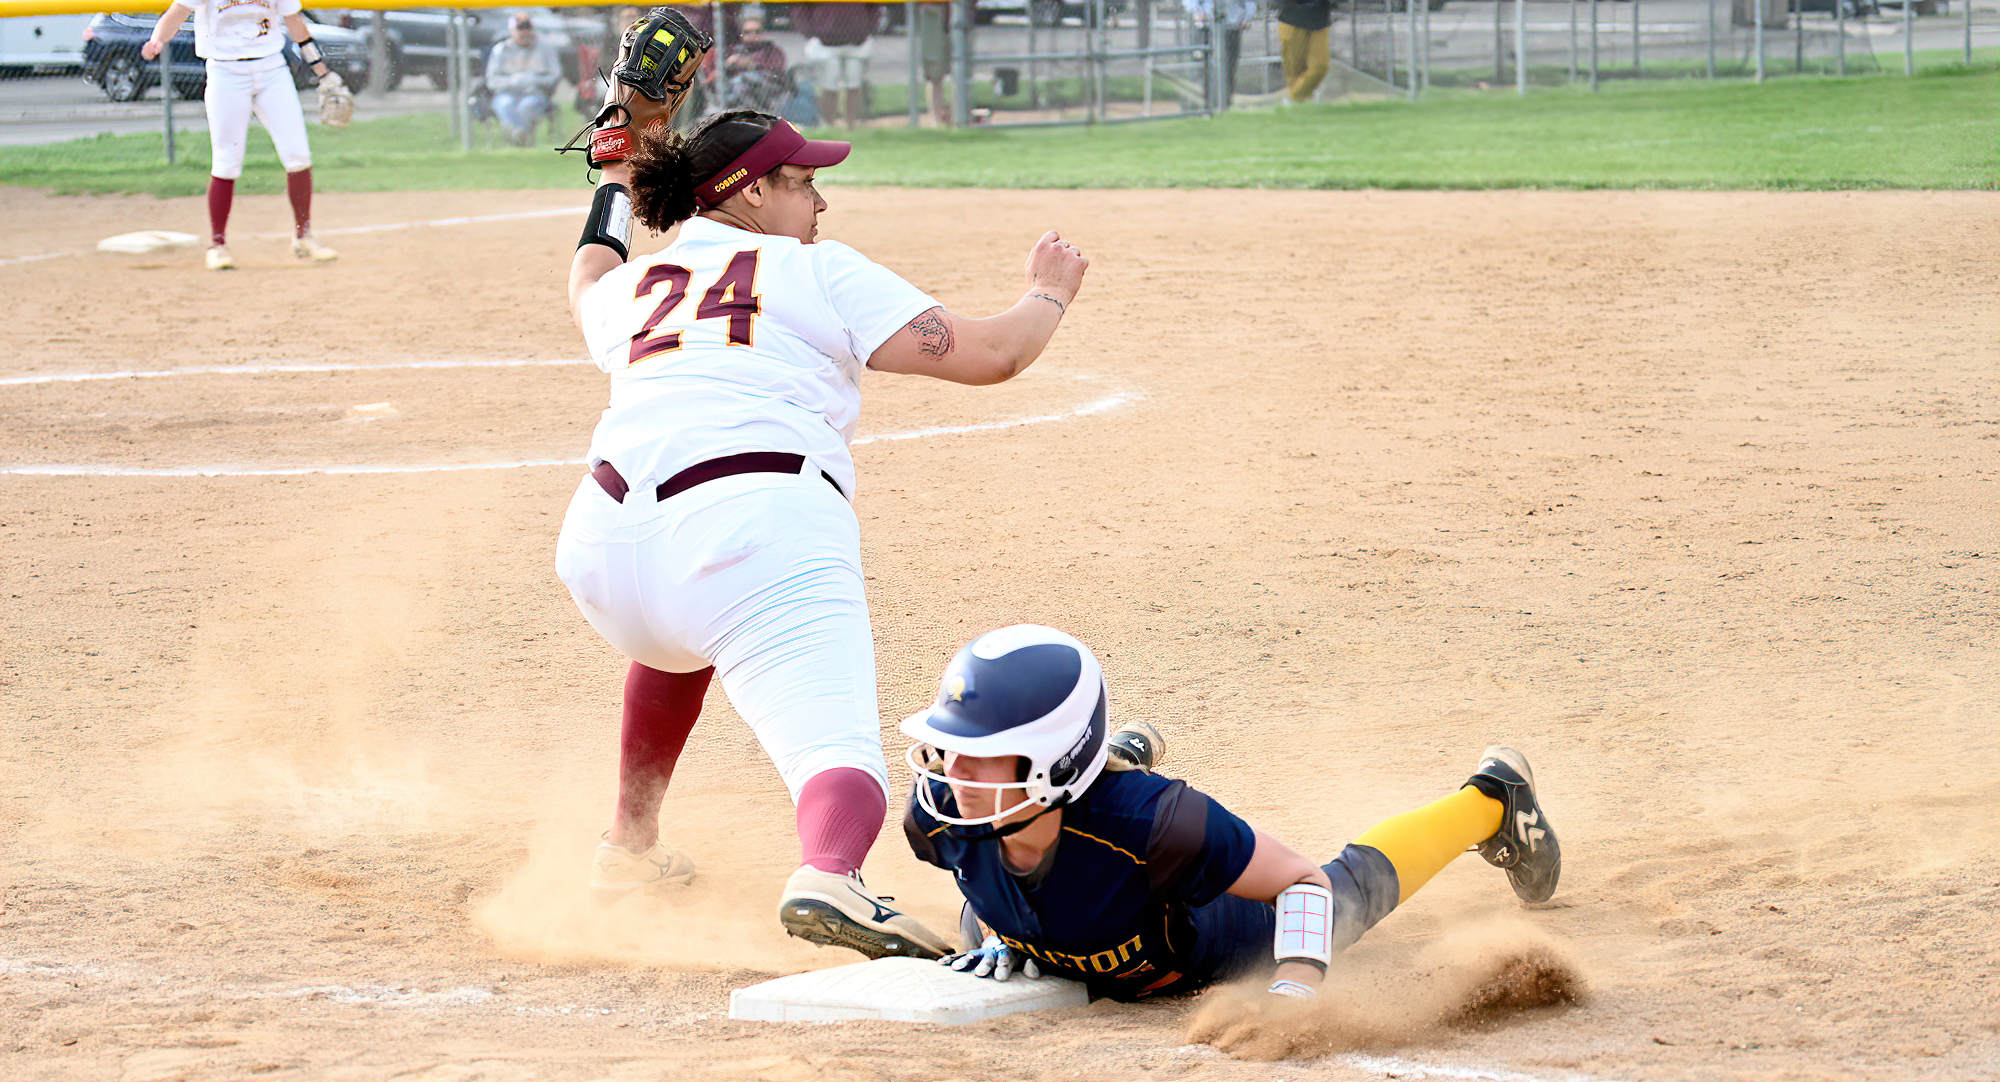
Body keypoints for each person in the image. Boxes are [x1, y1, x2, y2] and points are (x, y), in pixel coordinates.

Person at [557, 112, 1091, 960]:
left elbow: (591, 268)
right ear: (749, 189)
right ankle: (830, 873)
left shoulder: (634, 288)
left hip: (599, 549)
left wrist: (615, 178)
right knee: (836, 757)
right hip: (753, 528)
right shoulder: (816, 270)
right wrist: (1049, 290)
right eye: (801, 182)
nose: (821, 200)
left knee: (674, 643)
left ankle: (628, 849)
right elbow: (994, 355)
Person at [900, 625, 1562, 999]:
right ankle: (1121, 754)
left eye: (980, 754)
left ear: (1055, 762)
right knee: (1094, 825)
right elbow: (986, 879)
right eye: (951, 748)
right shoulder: (940, 814)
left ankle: (1491, 799)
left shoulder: (1160, 827)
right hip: (1099, 842)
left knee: (1344, 895)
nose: (951, 773)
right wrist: (991, 938)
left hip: (1209, 939)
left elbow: (1301, 881)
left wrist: (1297, 985)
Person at [140, 0, 340, 269]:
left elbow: (294, 21)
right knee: (226, 161)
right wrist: (157, 41)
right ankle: (218, 245)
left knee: (298, 155)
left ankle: (303, 236)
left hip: (272, 70)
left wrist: (321, 71)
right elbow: (176, 14)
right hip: (226, 72)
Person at [792, 2, 880, 130]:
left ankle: (852, 125)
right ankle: (828, 125)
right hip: (825, 43)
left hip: (858, 42)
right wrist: (810, 33)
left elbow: (875, 8)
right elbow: (800, 8)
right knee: (829, 86)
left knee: (854, 85)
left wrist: (869, 30)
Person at [486, 13, 563, 146]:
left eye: (527, 28)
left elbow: (555, 75)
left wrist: (535, 80)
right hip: (506, 93)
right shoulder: (500, 50)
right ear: (512, 31)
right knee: (505, 105)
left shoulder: (545, 49)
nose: (524, 33)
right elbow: (491, 81)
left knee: (527, 106)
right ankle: (520, 135)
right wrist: (512, 81)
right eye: (520, 29)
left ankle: (517, 137)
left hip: (535, 93)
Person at [1186, 0, 1249, 112]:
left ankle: (1226, 103)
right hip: (1207, 26)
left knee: (1229, 67)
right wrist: (1196, 11)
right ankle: (1208, 105)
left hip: (1232, 26)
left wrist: (1247, 16)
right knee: (1207, 67)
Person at [1276, 0, 1332, 104]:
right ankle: (1303, 104)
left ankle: (1293, 98)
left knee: (1320, 66)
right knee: (1295, 71)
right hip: (1292, 20)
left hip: (1319, 21)